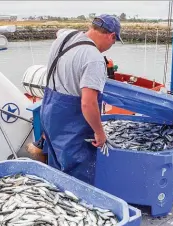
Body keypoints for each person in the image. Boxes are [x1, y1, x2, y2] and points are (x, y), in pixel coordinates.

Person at [40, 14, 122, 185]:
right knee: (77, 177)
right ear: (111, 35)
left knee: (56, 168)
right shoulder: (94, 59)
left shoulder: (66, 36)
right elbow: (88, 103)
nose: (110, 46)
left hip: (49, 111)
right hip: (72, 123)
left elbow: (59, 31)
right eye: (114, 42)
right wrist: (100, 133)